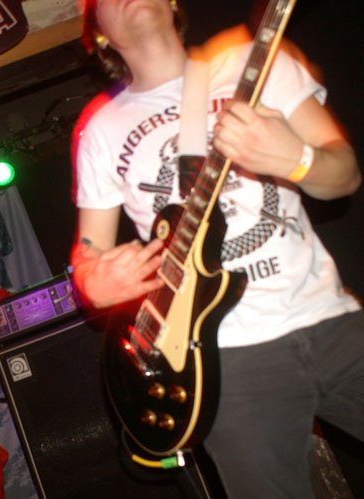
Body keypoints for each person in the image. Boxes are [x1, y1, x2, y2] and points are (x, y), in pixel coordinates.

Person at [70, 1, 364, 498]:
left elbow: (346, 175)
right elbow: (87, 254)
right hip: (222, 363)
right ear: (98, 35)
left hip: (331, 321)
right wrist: (92, 283)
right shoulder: (98, 128)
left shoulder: (255, 63)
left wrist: (296, 159)